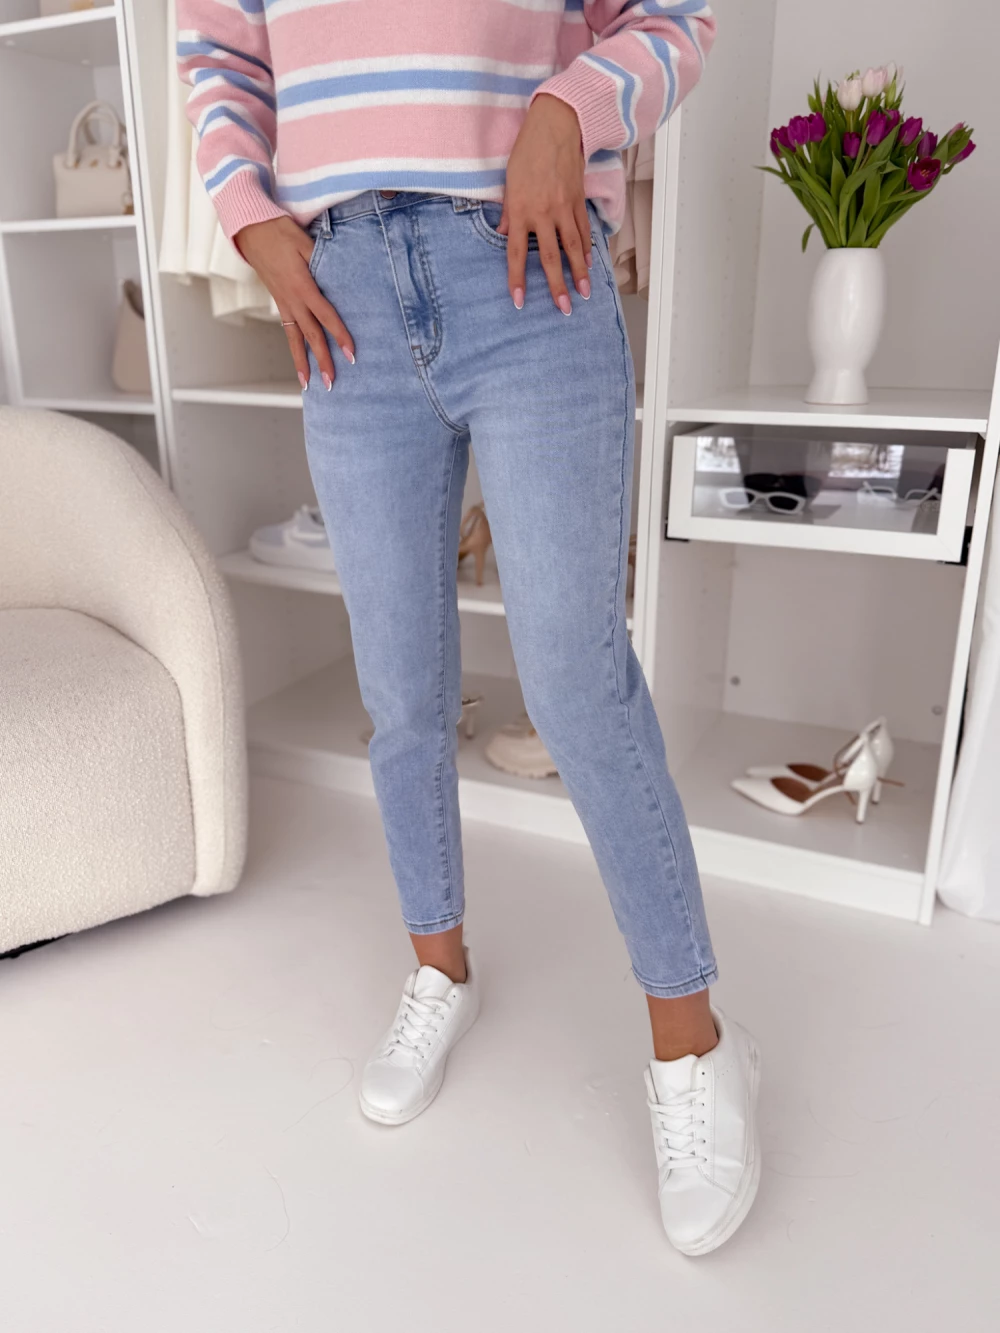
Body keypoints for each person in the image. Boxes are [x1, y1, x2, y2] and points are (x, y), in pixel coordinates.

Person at [178, 0, 760, 1255]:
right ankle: (439, 968)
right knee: (399, 685)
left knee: (574, 681)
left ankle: (695, 1042)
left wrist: (568, 106)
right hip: (338, 286)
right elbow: (217, 53)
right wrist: (252, 219)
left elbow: (673, 16)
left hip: (524, 260)